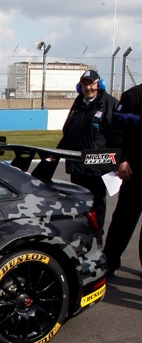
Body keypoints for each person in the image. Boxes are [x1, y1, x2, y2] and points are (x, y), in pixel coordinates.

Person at [56, 70, 119, 238]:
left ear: (99, 84)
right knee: (78, 203)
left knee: (96, 205)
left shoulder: (109, 104)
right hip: (77, 165)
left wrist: (119, 161)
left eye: (91, 83)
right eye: (85, 84)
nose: (88, 87)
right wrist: (55, 153)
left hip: (97, 167)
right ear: (80, 85)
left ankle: (96, 237)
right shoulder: (78, 103)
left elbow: (117, 135)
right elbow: (69, 132)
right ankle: (80, 236)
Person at [103, 83, 142, 276]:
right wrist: (122, 160)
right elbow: (117, 131)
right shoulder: (133, 96)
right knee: (124, 220)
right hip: (135, 170)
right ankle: (110, 261)